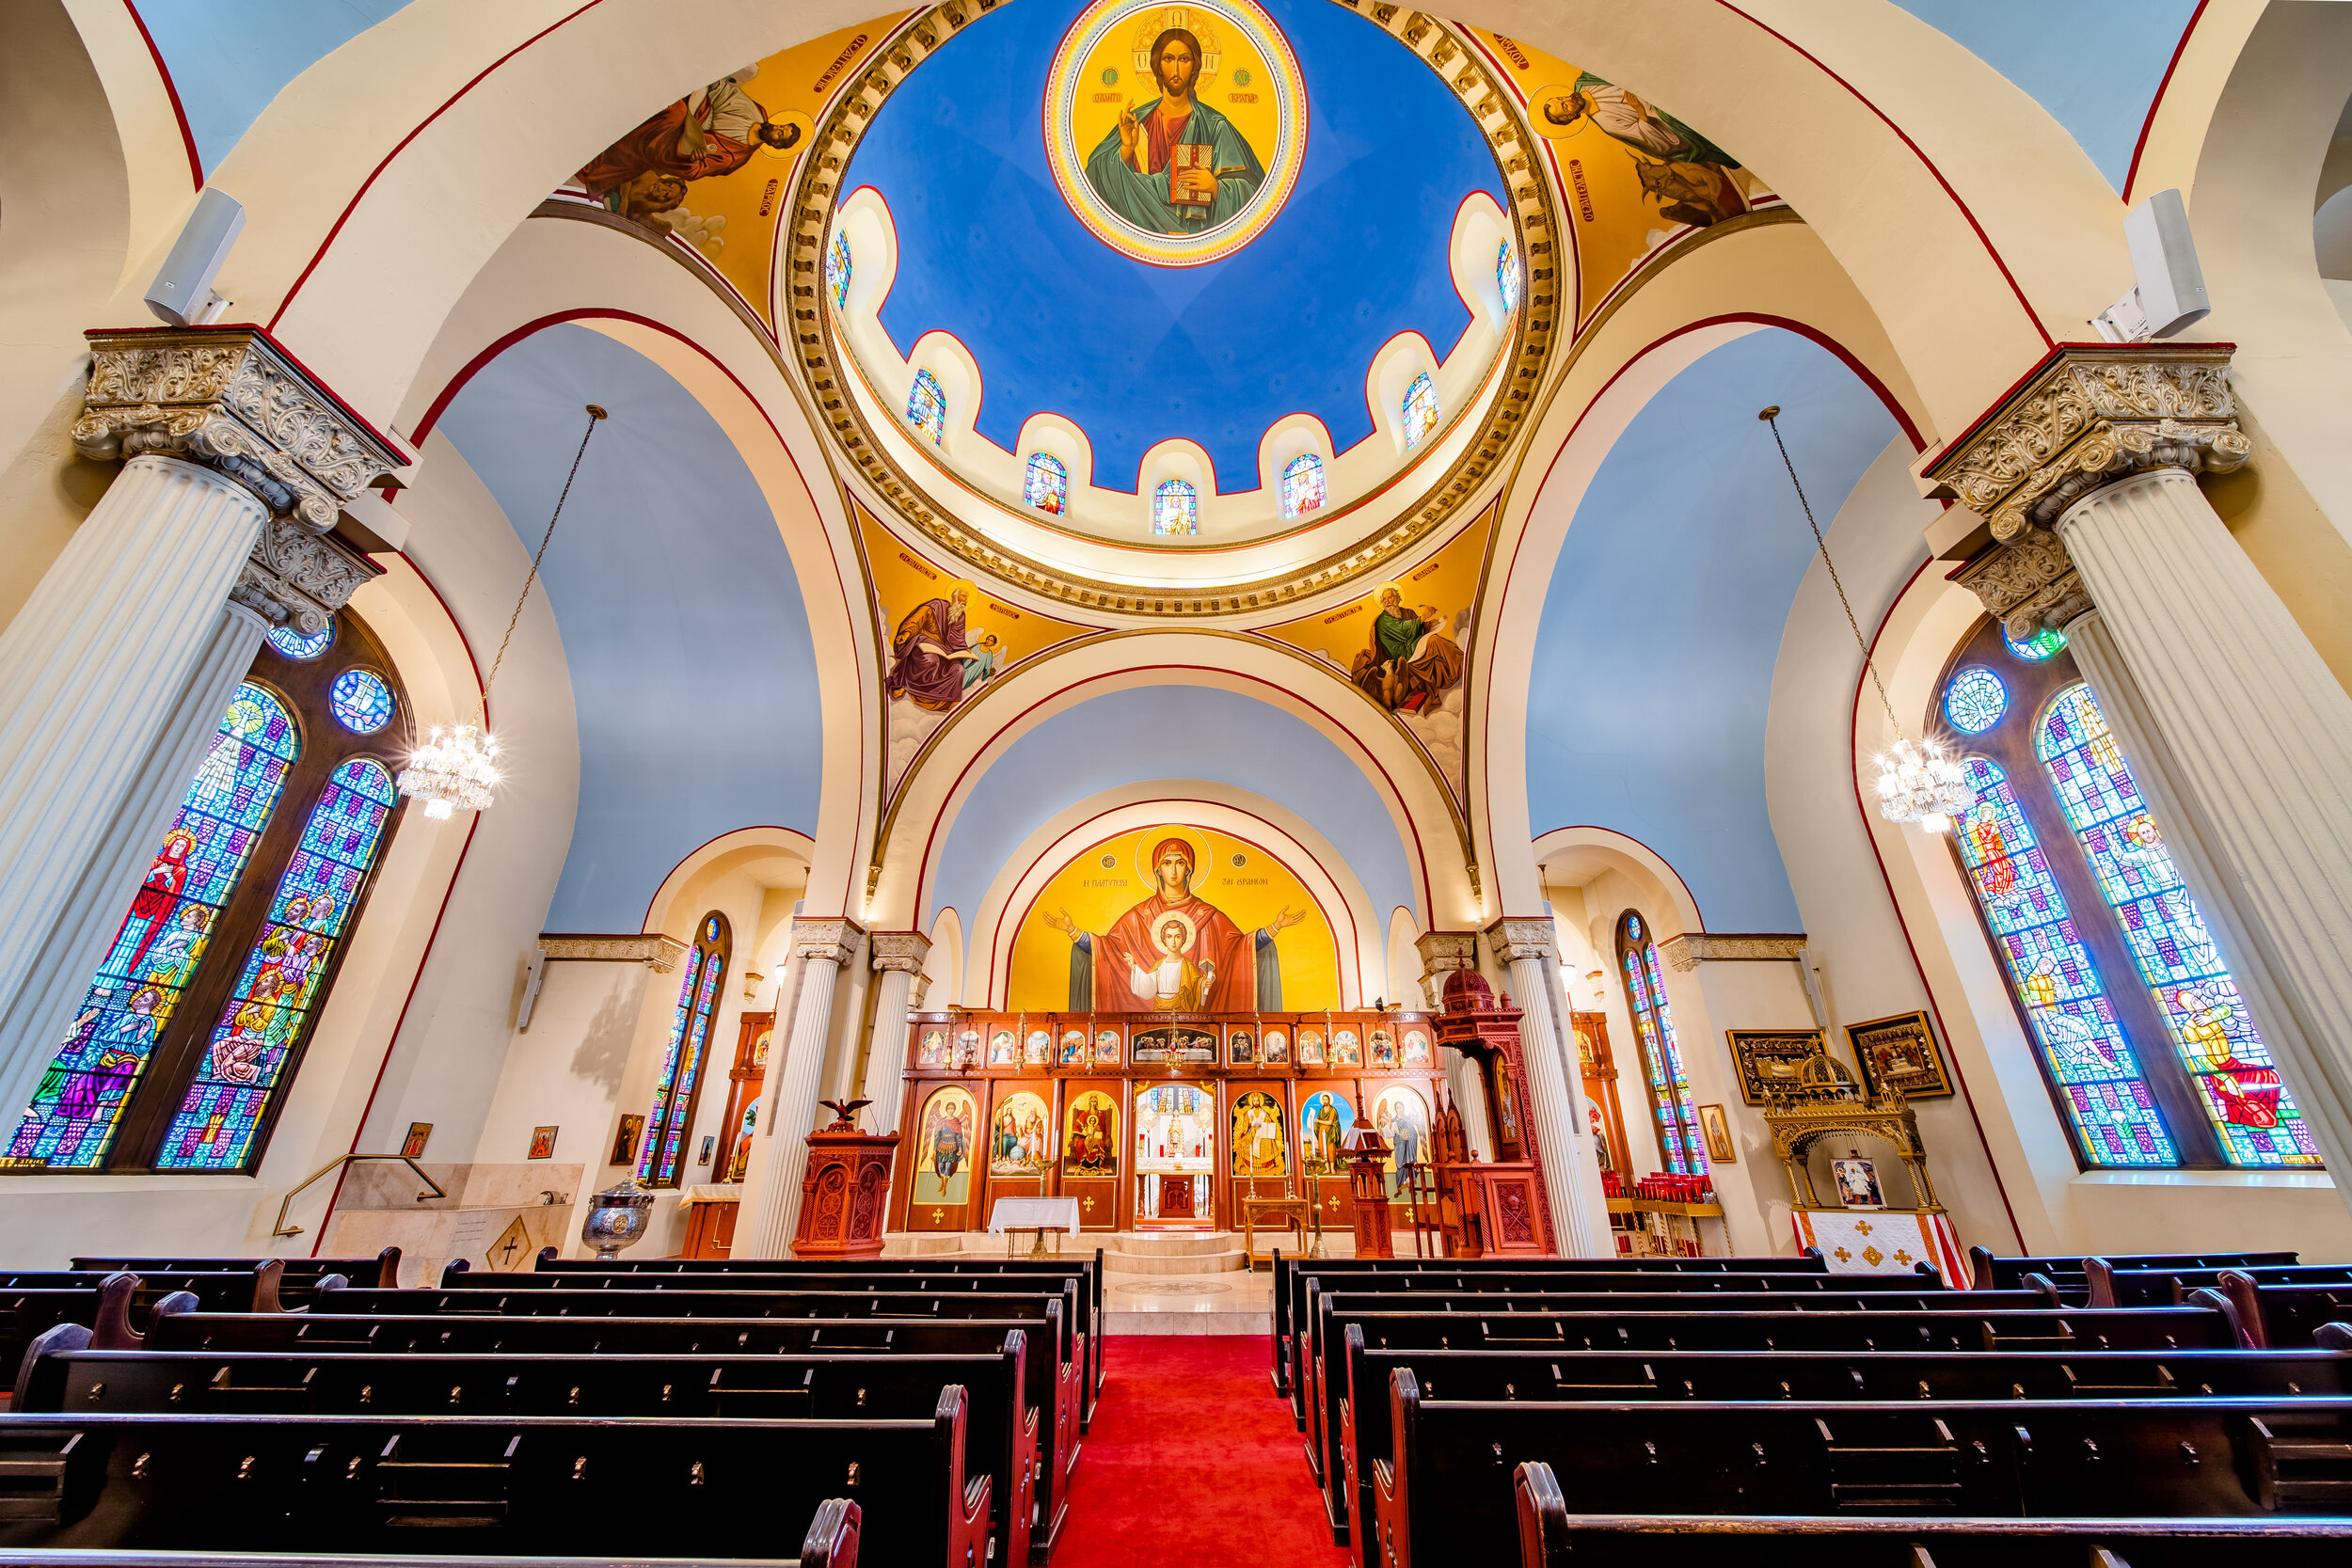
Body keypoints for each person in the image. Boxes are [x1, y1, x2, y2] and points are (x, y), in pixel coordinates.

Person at [1041, 836, 1304, 1011]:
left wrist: (1274, 928)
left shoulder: (1208, 914)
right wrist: (1072, 931)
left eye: (1180, 863)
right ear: (1157, 870)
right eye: (1167, 863)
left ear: (1190, 869)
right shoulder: (1138, 915)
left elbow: (1238, 947)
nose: (1174, 870)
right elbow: (1108, 948)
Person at [1081, 28, 1265, 234]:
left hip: (1195, 238)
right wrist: (1126, 149)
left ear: (1194, 67)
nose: (1176, 69)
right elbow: (1093, 181)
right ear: (1158, 66)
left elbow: (1255, 194)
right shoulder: (1136, 121)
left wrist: (1215, 187)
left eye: (1184, 59)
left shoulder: (1214, 125)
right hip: (1140, 234)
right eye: (1168, 59)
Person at [1537, 73, 1747, 228]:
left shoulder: (1586, 82)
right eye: (1565, 107)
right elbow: (1654, 141)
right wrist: (1639, 109)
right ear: (1571, 117)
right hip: (1662, 114)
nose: (1567, 100)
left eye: (1561, 99)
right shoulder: (1607, 123)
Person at [577, 67, 802, 204]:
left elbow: (696, 171)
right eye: (781, 128)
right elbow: (722, 91)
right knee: (678, 108)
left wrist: (692, 156)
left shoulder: (736, 157)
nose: (777, 131)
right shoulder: (755, 112)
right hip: (695, 110)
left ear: (775, 145)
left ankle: (600, 142)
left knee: (675, 114)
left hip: (676, 147)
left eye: (780, 136)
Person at [886, 588, 981, 713]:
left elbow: (958, 638)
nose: (966, 600)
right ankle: (907, 686)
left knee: (958, 670)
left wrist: (964, 650)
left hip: (947, 651)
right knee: (931, 661)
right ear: (954, 596)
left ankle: (947, 701)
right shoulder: (936, 605)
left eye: (967, 598)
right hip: (925, 644)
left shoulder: (960, 616)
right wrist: (907, 632)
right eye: (964, 596)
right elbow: (918, 618)